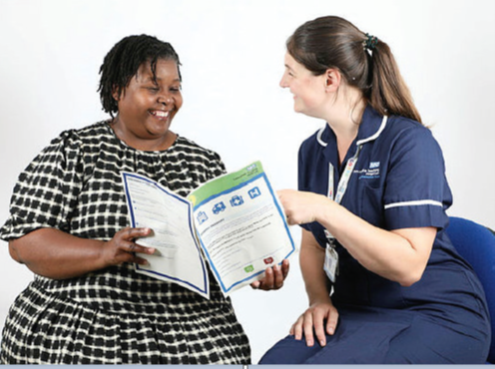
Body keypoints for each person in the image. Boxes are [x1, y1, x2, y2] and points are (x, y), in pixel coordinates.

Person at [0, 34, 288, 364]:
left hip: (191, 330)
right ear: (116, 90)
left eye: (174, 88)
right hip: (83, 325)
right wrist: (104, 252)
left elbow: (224, 249)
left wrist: (254, 268)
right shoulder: (76, 151)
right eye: (153, 87)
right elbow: (23, 244)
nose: (166, 99)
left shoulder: (203, 163)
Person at [259, 16, 491, 364]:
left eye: (291, 72)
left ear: (330, 79)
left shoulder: (409, 143)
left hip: (433, 312)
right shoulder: (313, 149)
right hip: (354, 311)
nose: (282, 82)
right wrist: (319, 300)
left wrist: (324, 209)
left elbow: (409, 267)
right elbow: (312, 243)